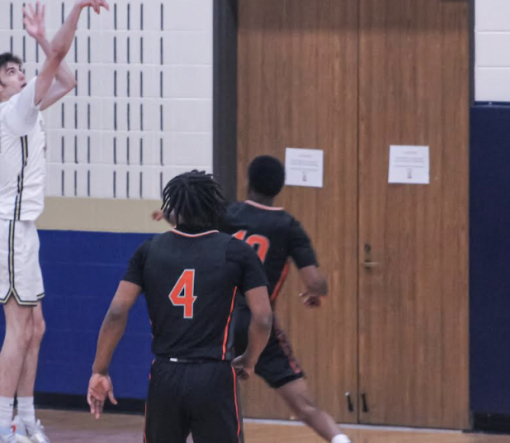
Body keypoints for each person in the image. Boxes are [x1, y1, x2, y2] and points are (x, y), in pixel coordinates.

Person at [0, 0, 114, 443]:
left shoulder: (27, 109)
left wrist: (39, 40)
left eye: (20, 70)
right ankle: (0, 423)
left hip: (23, 229)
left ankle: (27, 418)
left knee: (36, 327)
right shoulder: (14, 109)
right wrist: (74, 11)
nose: (19, 75)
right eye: (10, 72)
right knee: (18, 329)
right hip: (10, 228)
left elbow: (67, 80)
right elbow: (59, 55)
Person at [87, 171, 273, 443]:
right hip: (214, 374)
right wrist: (250, 359)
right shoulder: (237, 252)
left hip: (165, 374)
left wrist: (99, 370)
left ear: (173, 208)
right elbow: (263, 318)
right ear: (213, 205)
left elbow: (116, 313)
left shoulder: (149, 250)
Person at [220, 155, 352, 443]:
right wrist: (315, 294)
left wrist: (166, 213)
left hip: (221, 321)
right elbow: (316, 282)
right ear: (279, 187)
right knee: (305, 406)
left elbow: (188, 222)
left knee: (207, 401)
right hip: (260, 323)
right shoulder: (288, 226)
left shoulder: (228, 215)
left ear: (248, 182)